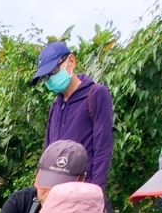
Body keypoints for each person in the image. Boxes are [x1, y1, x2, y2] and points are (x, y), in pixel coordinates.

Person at [31, 40, 114, 193]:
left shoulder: (96, 95)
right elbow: (48, 150)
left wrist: (95, 191)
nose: (50, 80)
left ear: (71, 61)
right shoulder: (55, 105)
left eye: (53, 72)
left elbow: (103, 147)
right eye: (45, 77)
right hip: (54, 190)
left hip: (81, 189)